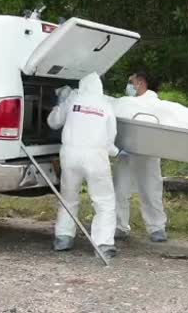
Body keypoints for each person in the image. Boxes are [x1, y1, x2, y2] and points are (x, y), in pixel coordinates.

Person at [47, 72, 119, 259]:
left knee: (69, 196)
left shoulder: (73, 100)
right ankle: (103, 244)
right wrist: (114, 152)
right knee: (103, 200)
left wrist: (59, 104)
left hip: (70, 154)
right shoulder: (106, 105)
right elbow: (110, 137)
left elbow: (53, 123)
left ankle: (63, 237)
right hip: (96, 156)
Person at [113, 71, 168, 243]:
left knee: (150, 190)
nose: (129, 85)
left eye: (131, 82)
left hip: (148, 153)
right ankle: (120, 226)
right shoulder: (127, 102)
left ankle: (157, 227)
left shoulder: (156, 104)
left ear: (140, 82)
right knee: (120, 190)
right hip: (125, 153)